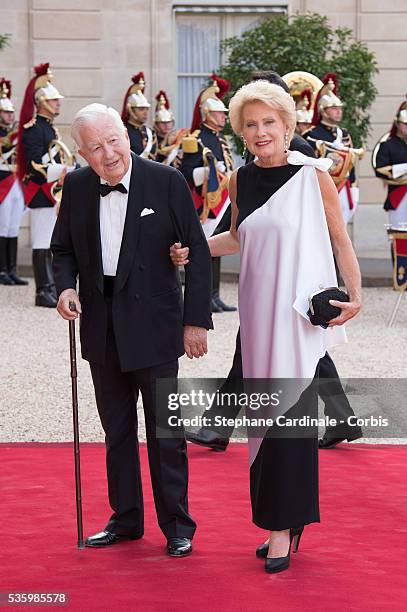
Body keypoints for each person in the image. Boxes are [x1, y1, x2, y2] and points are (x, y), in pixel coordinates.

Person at [176, 80, 362, 573]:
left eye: (270, 123)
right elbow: (235, 237)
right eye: (251, 124)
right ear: (241, 130)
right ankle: (285, 518)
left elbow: (340, 241)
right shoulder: (239, 181)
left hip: (297, 319)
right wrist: (188, 246)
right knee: (262, 426)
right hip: (256, 317)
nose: (261, 132)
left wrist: (356, 294)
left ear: (288, 125)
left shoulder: (313, 176)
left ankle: (281, 529)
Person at [51, 103, 212, 557]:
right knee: (117, 433)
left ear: (127, 134)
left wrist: (195, 321)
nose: (109, 154)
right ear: (82, 153)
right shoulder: (79, 186)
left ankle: (178, 525)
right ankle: (125, 519)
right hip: (101, 329)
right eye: (96, 148)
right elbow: (61, 249)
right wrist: (65, 289)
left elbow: (196, 253)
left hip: (155, 327)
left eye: (113, 140)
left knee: (166, 432)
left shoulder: (165, 181)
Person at [180, 74, 236, 313]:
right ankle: (201, 297)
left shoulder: (219, 139)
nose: (224, 116)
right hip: (205, 205)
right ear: (207, 114)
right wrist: (209, 171)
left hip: (222, 202)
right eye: (220, 113)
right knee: (202, 251)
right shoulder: (195, 139)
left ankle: (214, 295)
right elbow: (187, 173)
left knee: (217, 249)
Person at [17, 63, 72, 307]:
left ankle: (50, 288)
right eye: (53, 100)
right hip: (41, 191)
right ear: (41, 102)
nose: (58, 103)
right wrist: (65, 170)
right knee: (41, 240)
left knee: (50, 240)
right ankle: (43, 291)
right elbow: (34, 164)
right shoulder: (33, 130)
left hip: (53, 191)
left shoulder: (49, 128)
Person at [304, 73, 364, 225]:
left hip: (344, 186)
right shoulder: (312, 134)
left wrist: (354, 185)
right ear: (323, 110)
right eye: (334, 108)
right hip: (322, 188)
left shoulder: (343, 134)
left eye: (340, 108)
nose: (339, 111)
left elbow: (350, 162)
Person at [0, 78, 27, 286]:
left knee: (13, 227)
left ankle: (11, 269)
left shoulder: (14, 133)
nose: (10, 116)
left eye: (11, 113)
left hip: (16, 181)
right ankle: (2, 270)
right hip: (2, 181)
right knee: (3, 226)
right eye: (6, 113)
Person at [372, 96, 407, 227]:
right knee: (400, 233)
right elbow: (380, 169)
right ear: (397, 123)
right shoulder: (388, 145)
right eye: (405, 124)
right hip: (398, 194)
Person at [121, 72, 157, 160]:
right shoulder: (122, 132)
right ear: (131, 110)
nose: (145, 113)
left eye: (146, 109)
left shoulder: (150, 132)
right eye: (141, 109)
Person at [154, 90, 187, 168]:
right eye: (163, 123)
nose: (166, 125)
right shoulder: (153, 139)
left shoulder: (178, 138)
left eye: (169, 122)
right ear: (156, 124)